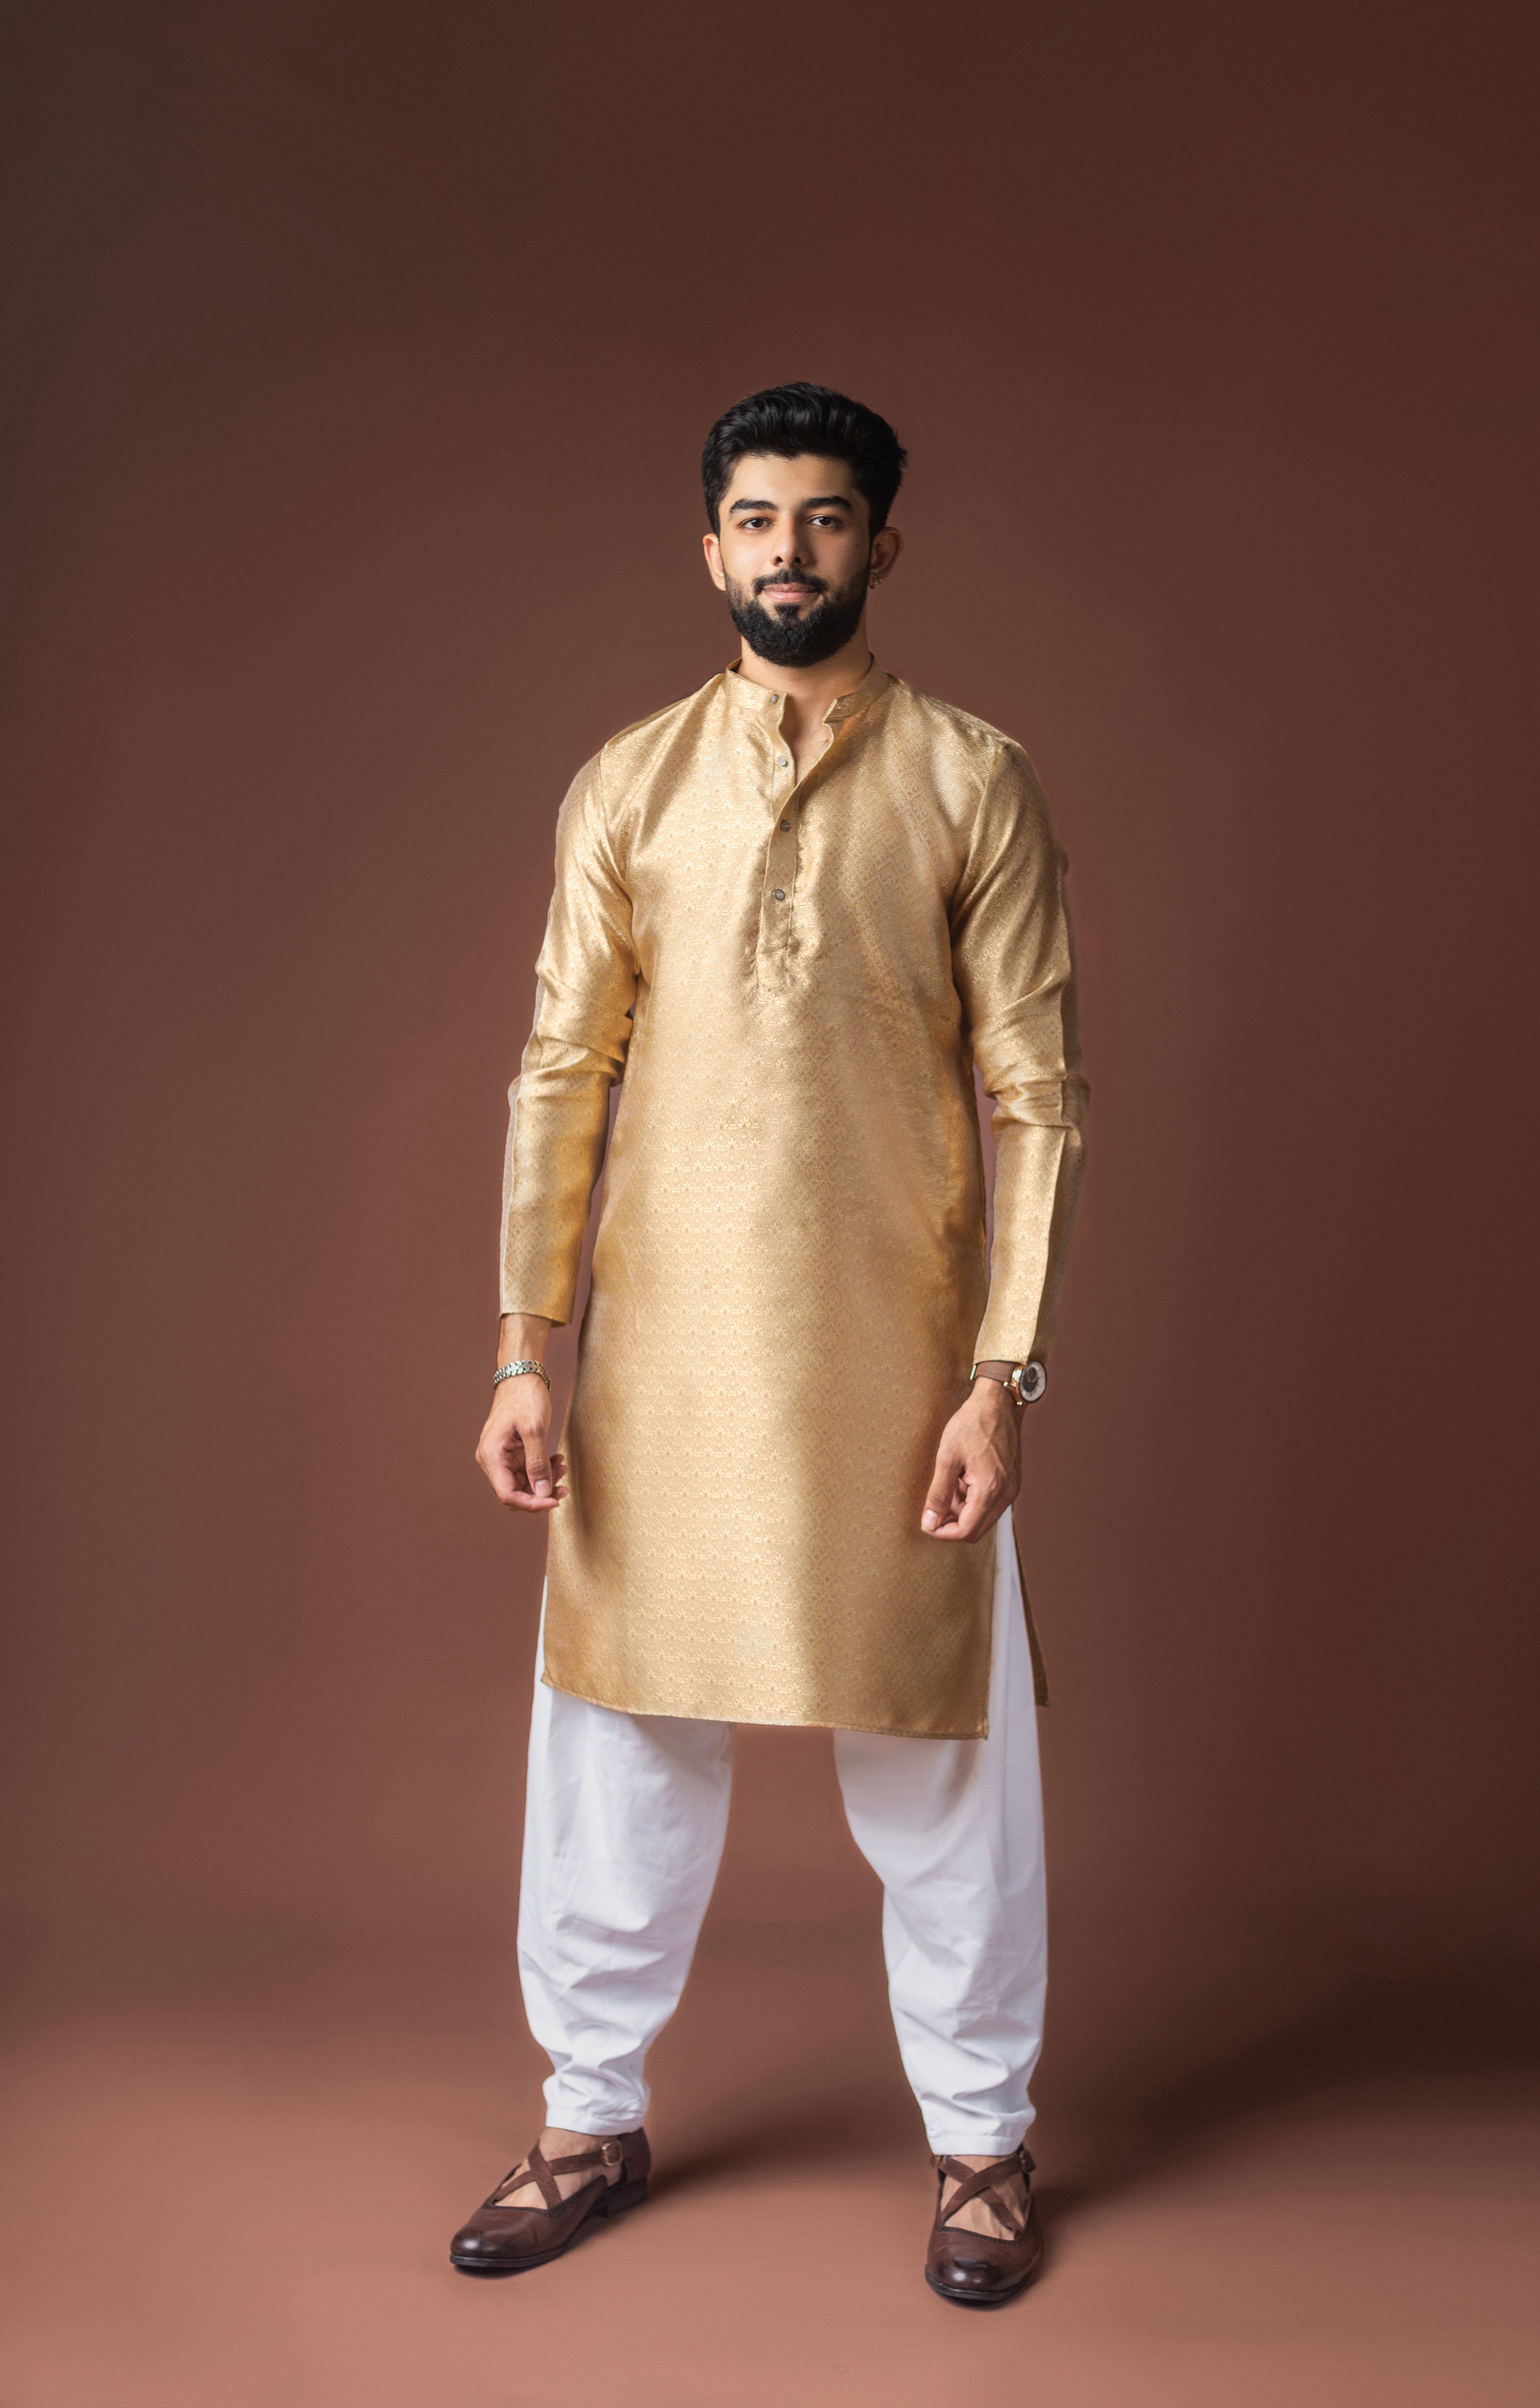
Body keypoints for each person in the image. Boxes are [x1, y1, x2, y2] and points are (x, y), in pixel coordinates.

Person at [449, 382, 1087, 2306]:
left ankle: (982, 2145)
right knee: (616, 1746)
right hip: (662, 1364)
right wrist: (526, 1346)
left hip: (902, 1367)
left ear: (881, 545)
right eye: (753, 519)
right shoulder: (627, 784)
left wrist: (1002, 1373)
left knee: (945, 1765)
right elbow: (561, 1072)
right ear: (708, 546)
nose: (786, 552)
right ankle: (586, 2119)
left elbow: (1037, 1094)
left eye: (821, 519)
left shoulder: (972, 779)